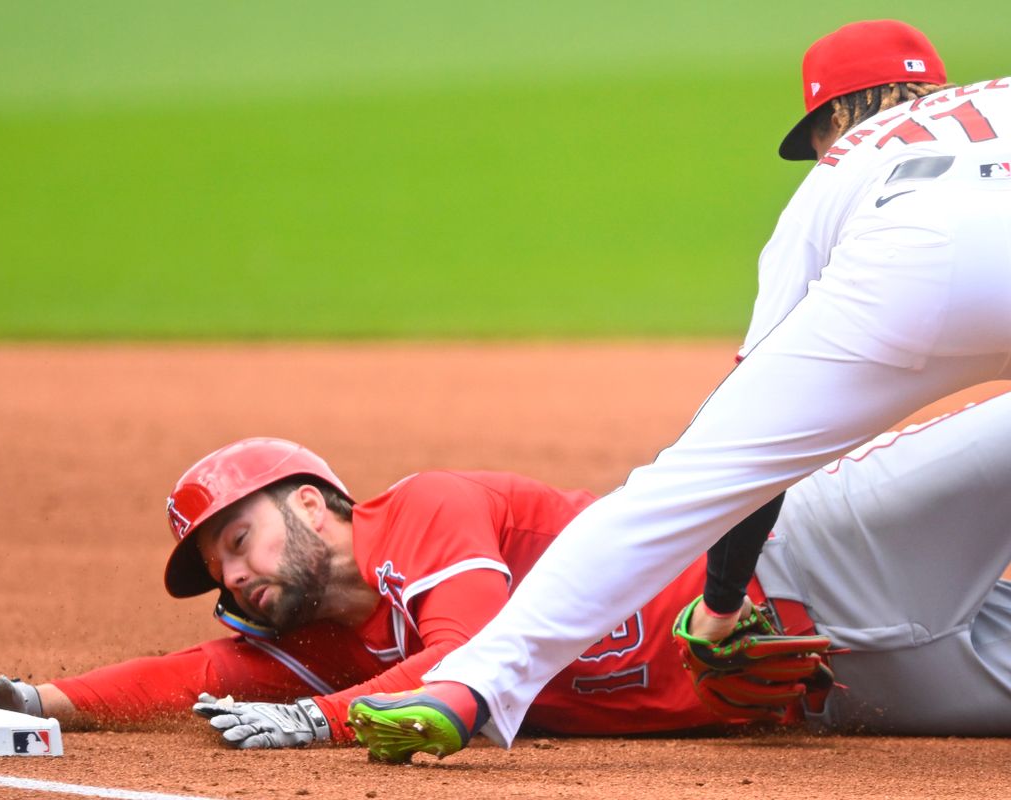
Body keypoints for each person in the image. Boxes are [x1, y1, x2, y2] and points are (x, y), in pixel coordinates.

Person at [347, 18, 1011, 760]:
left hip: (904, 272)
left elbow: (750, 467)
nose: (819, 148)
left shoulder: (839, 168)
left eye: (817, 132)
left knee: (684, 484)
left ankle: (469, 686)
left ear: (839, 114)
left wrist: (723, 607)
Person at [0, 394, 1011, 752]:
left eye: (237, 543)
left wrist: (326, 721)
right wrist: (42, 701)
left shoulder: (427, 510)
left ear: (308, 501)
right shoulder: (313, 641)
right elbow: (185, 671)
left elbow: (471, 654)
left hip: (804, 550)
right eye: (216, 571)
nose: (235, 579)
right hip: (845, 694)